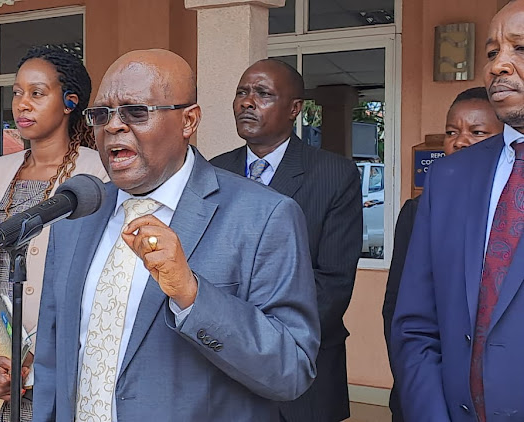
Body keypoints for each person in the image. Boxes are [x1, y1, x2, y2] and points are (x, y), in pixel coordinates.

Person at [32, 49, 320, 422]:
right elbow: (54, 357)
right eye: (102, 114)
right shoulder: (80, 212)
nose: (113, 126)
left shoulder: (264, 217)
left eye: (136, 111)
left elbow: (291, 370)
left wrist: (191, 294)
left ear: (189, 121)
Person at [0, 46, 108, 422]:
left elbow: (96, 280)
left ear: (70, 101)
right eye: (17, 92)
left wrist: (31, 357)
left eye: (37, 93)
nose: (22, 104)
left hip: (56, 363)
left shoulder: (98, 176)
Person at [392, 2, 524, 419]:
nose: (499, 65)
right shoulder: (449, 178)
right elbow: (415, 324)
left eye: (520, 48)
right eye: (491, 52)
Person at [211, 58, 362, 421]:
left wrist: (257, 344)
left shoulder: (333, 174)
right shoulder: (213, 172)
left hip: (298, 364)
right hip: (218, 366)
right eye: (242, 93)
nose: (247, 102)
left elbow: (333, 283)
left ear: (295, 108)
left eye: (262, 94)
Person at [382, 87, 503, 422]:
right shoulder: (419, 210)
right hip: (431, 392)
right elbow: (399, 310)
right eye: (452, 132)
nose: (460, 142)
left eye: (477, 132)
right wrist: (414, 383)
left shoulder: (511, 213)